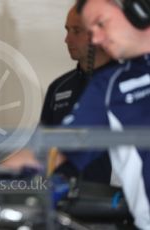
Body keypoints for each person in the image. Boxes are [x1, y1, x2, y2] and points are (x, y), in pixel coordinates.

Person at [57, 0, 150, 228]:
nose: (95, 39)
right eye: (90, 30)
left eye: (101, 23)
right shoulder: (109, 86)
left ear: (139, 10)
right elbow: (60, 152)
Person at [40, 4, 114, 184]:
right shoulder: (59, 87)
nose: (67, 39)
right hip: (63, 199)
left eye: (76, 31)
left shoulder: (123, 82)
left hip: (114, 202)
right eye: (67, 30)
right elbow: (43, 148)